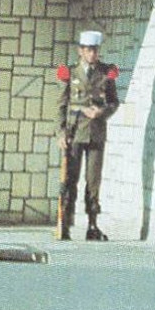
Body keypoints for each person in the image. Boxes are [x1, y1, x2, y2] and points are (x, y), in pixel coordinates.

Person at [55, 30, 120, 241]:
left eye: (95, 50)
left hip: (96, 134)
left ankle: (92, 225)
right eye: (88, 50)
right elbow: (61, 105)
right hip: (74, 133)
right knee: (70, 180)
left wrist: (101, 112)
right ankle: (65, 223)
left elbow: (113, 102)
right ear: (80, 51)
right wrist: (61, 132)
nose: (92, 54)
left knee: (93, 181)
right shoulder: (71, 73)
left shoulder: (105, 73)